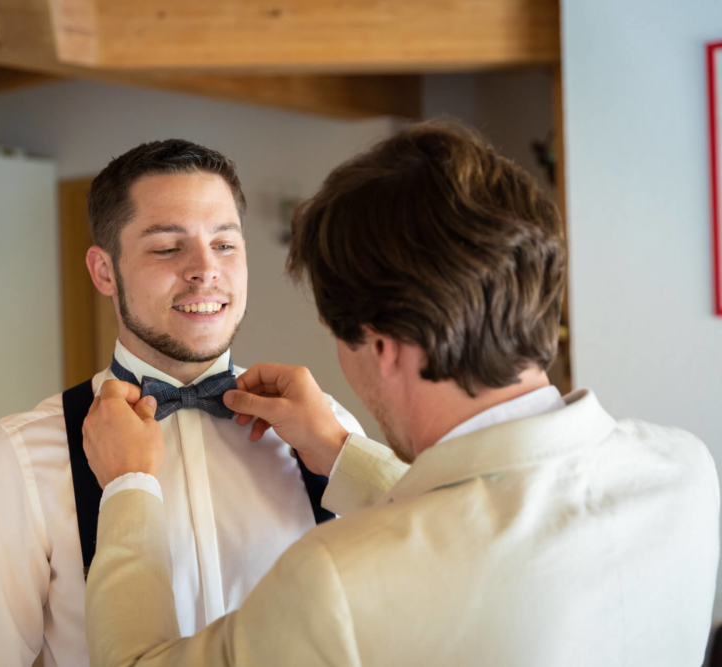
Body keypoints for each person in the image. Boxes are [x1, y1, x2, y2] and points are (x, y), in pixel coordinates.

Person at [81, 122, 720, 666]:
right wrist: (341, 452)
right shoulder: (686, 471)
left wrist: (129, 489)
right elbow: (488, 515)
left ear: (381, 346)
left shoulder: (337, 581)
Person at [0, 139, 367, 666]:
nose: (205, 269)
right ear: (103, 272)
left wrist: (341, 448)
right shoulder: (22, 457)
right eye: (168, 247)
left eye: (226, 245)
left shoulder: (328, 434)